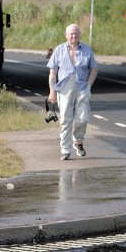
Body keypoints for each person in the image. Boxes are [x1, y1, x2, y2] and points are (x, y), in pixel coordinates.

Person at [47, 24, 98, 160]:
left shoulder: (86, 50)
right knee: (65, 119)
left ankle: (78, 142)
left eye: (76, 33)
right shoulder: (59, 50)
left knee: (82, 118)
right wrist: (52, 92)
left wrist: (88, 86)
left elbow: (94, 69)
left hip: (82, 88)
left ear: (79, 35)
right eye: (71, 34)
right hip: (64, 89)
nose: (74, 36)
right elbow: (52, 73)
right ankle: (65, 150)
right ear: (66, 35)